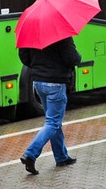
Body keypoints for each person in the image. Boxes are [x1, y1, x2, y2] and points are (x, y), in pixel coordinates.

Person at [19, 37, 82, 175]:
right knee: (53, 122)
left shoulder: (32, 33)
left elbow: (23, 56)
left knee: (53, 121)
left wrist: (37, 66)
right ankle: (30, 154)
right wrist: (79, 57)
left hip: (38, 83)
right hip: (55, 83)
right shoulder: (62, 35)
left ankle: (61, 157)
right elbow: (72, 58)